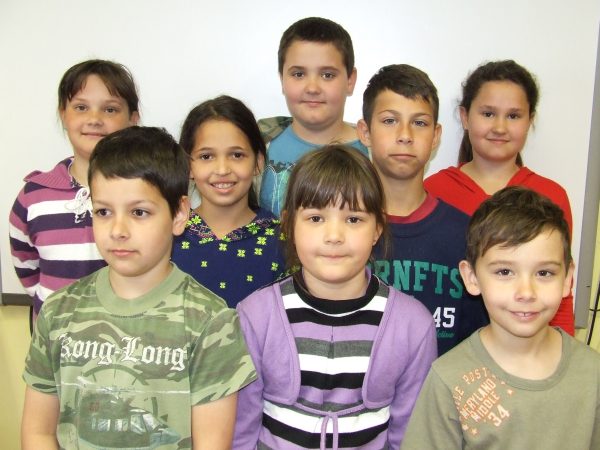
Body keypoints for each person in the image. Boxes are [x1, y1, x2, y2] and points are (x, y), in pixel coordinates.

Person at [21, 127, 257, 450]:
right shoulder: (58, 311)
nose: (118, 230)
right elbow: (38, 433)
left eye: (139, 212)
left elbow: (212, 444)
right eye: (103, 212)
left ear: (179, 214)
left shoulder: (211, 322)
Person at [234, 145, 437, 449]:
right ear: (289, 224)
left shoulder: (412, 325)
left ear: (377, 228)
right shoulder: (255, 316)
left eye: (353, 219)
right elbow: (240, 432)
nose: (334, 236)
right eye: (316, 218)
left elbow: (410, 436)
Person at [401, 186, 600, 450]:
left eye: (544, 273)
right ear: (472, 277)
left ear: (567, 278)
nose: (526, 292)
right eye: (505, 272)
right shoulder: (448, 378)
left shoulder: (593, 373)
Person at [424, 60, 574, 335]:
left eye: (514, 116)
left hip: (528, 347)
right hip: (450, 344)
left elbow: (561, 294)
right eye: (488, 113)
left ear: (530, 120)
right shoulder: (433, 190)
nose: (500, 127)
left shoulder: (552, 196)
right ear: (465, 116)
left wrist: (565, 350)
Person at [357, 64, 488, 356]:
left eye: (419, 123)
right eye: (389, 120)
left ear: (436, 135)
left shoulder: (467, 235)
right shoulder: (344, 231)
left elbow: (480, 342)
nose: (405, 135)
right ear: (365, 132)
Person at [9, 59, 140, 321]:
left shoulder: (146, 193)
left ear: (133, 120)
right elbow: (27, 267)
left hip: (125, 335)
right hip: (55, 334)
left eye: (110, 109)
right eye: (81, 107)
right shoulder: (34, 195)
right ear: (63, 115)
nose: (94, 119)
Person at [172, 95, 286, 307]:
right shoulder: (168, 237)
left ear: (258, 162)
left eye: (236, 155)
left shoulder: (283, 240)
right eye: (206, 156)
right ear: (188, 166)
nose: (222, 169)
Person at [258, 16, 369, 216]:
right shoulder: (256, 145)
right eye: (298, 74)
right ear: (282, 79)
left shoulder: (374, 152)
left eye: (327, 75)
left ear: (350, 80)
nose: (312, 88)